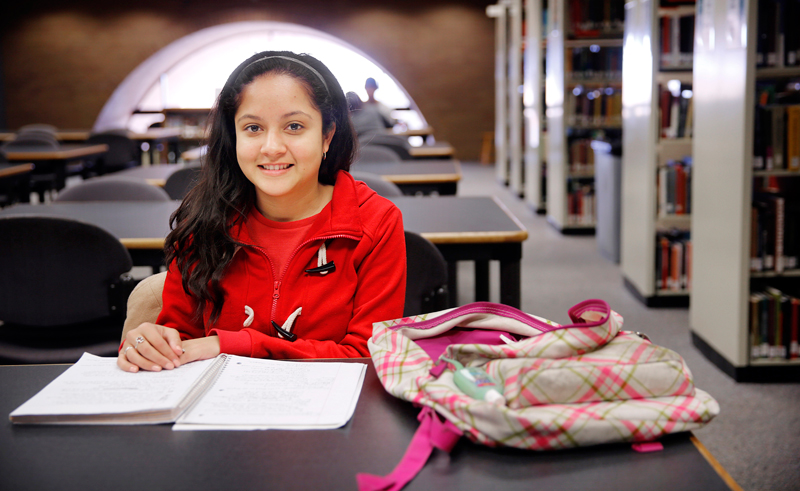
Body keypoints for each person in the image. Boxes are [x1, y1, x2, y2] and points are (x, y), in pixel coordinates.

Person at [118, 51, 407, 373]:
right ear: (234, 137)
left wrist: (232, 344)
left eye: (294, 126)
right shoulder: (201, 220)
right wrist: (153, 347)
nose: (271, 147)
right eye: (253, 128)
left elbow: (368, 355)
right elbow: (178, 339)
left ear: (327, 135)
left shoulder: (376, 222)